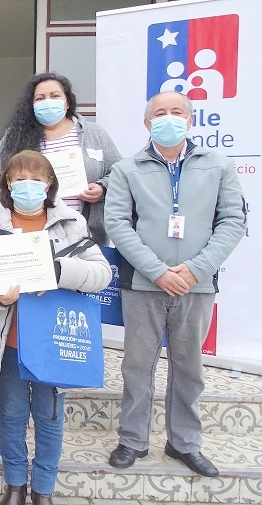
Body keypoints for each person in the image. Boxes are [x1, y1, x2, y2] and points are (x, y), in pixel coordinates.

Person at [105, 91, 246, 477]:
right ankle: (133, 439)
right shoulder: (127, 169)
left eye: (177, 112)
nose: (169, 118)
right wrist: (158, 271)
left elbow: (233, 221)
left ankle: (184, 442)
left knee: (189, 366)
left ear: (191, 118)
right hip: (143, 285)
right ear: (147, 123)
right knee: (137, 364)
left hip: (195, 286)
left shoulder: (217, 165)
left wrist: (195, 270)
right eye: (160, 113)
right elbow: (118, 224)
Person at [0, 150, 110, 505]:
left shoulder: (71, 222)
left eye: (37, 179)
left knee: (49, 417)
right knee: (12, 416)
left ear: (50, 185)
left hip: (53, 341)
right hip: (7, 342)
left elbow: (102, 274)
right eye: (19, 179)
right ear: (7, 185)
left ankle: (43, 488)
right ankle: (15, 484)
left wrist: (59, 273)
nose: (28, 186)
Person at [0, 73, 121, 246]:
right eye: (40, 98)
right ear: (31, 105)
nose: (47, 102)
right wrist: (12, 202)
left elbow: (119, 174)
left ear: (67, 102)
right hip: (27, 235)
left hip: (84, 235)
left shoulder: (95, 134)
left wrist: (103, 187)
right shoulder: (15, 137)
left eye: (55, 96)